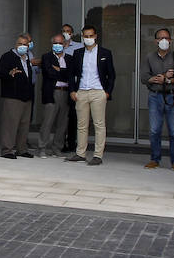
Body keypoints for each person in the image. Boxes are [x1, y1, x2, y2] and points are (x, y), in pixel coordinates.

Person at [66, 26, 115, 165]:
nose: (88, 39)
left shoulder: (105, 53)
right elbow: (71, 74)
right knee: (81, 125)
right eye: (85, 36)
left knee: (99, 124)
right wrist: (72, 91)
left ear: (96, 36)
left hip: (98, 92)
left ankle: (98, 155)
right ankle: (80, 153)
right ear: (82, 37)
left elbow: (111, 75)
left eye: (90, 36)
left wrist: (107, 92)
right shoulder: (78, 53)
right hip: (81, 92)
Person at [143, 28, 174, 171]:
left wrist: (167, 79)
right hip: (155, 96)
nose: (164, 41)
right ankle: (155, 159)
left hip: (173, 96)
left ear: (170, 40)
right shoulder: (149, 57)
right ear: (155, 41)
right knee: (155, 130)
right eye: (161, 38)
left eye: (167, 38)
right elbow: (144, 77)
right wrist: (155, 79)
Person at [0, 34, 36, 158]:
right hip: (12, 97)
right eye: (20, 44)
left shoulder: (27, 58)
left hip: (26, 96)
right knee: (10, 124)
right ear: (15, 44)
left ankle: (21, 149)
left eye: (25, 45)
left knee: (24, 124)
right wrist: (10, 73)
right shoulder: (7, 57)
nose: (22, 47)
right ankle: (7, 150)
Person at [36, 34, 71, 157]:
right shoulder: (47, 57)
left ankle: (57, 147)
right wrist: (63, 72)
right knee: (47, 121)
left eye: (60, 43)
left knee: (62, 123)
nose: (57, 45)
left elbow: (70, 75)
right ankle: (42, 148)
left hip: (66, 92)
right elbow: (49, 73)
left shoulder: (70, 59)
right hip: (52, 92)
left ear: (65, 44)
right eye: (55, 43)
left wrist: (59, 70)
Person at [59, 24, 83, 153]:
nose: (65, 34)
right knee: (62, 116)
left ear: (72, 33)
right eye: (63, 31)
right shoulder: (58, 46)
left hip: (74, 86)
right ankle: (60, 143)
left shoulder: (79, 47)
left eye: (68, 31)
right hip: (62, 86)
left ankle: (72, 142)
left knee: (73, 116)